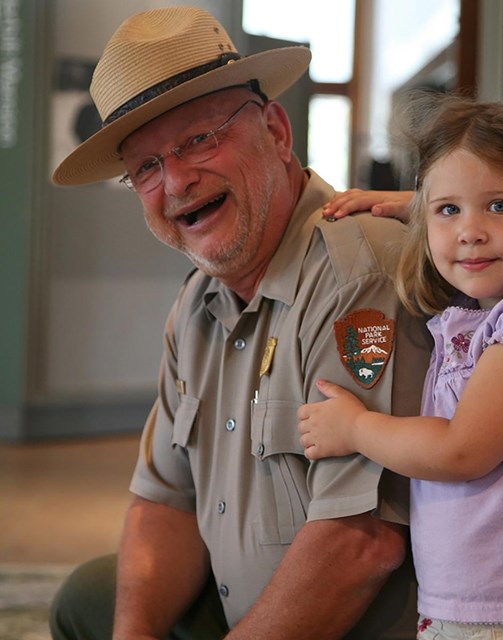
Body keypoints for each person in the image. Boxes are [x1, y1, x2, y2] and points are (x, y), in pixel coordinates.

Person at [48, 6, 432, 640]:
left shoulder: (356, 275)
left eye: (199, 139)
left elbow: (362, 544)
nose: (176, 181)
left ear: (277, 131)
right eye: (145, 167)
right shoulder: (198, 304)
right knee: (93, 600)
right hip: (249, 616)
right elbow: (165, 501)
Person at [298, 93, 503, 639]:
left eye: (499, 206)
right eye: (448, 210)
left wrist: (357, 428)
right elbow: (473, 218)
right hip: (472, 609)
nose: (470, 231)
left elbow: (463, 450)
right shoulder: (477, 317)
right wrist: (426, 204)